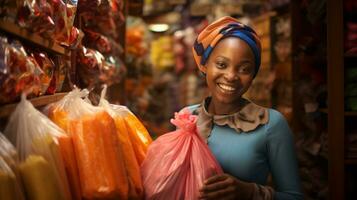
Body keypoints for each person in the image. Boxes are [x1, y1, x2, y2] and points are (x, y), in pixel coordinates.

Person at [184, 16, 303, 200]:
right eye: (222, 64)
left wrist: (249, 192)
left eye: (244, 69)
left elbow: (294, 197)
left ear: (253, 75)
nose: (231, 76)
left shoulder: (271, 124)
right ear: (205, 65)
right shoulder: (186, 119)